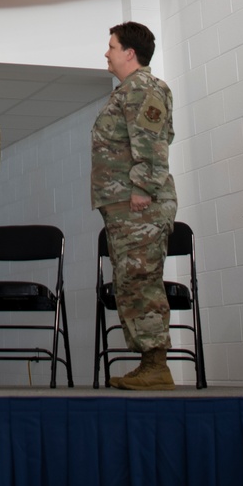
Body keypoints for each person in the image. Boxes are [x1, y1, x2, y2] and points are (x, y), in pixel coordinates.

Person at [92, 21, 177, 390]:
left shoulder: (144, 88)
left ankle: (156, 364)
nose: (107, 53)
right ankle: (149, 362)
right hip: (123, 207)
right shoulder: (127, 91)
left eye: (111, 46)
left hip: (139, 205)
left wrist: (142, 187)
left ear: (129, 52)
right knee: (129, 282)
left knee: (141, 281)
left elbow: (152, 143)